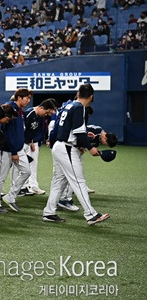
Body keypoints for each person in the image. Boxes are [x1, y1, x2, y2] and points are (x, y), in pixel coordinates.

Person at [42, 84, 110, 225]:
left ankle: (49, 212)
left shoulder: (69, 105)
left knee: (58, 182)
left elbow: (63, 128)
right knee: (78, 182)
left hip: (59, 146)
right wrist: (89, 147)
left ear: (78, 93)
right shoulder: (80, 108)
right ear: (91, 96)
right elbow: (78, 132)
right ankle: (91, 214)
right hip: (66, 148)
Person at [0, 88, 32, 213]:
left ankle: (11, 196)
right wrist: (13, 152)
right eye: (27, 98)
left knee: (26, 171)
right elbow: (4, 132)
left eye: (29, 98)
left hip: (18, 148)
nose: (29, 100)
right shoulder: (9, 109)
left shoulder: (19, 111)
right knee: (1, 177)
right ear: (19, 98)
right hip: (7, 149)